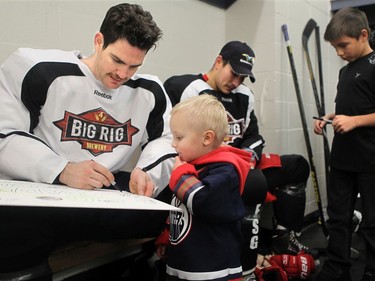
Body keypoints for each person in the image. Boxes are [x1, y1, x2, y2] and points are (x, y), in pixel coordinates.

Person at [0, 3, 175, 281]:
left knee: (179, 205)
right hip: (45, 193)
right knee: (13, 229)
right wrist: (61, 169)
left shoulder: (149, 90)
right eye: (117, 61)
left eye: (134, 66)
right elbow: (4, 134)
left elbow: (167, 140)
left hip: (106, 196)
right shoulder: (39, 70)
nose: (122, 74)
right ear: (98, 41)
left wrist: (147, 172)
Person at [164, 40, 313, 280]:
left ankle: (283, 238)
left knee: (297, 165)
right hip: (204, 165)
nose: (236, 82)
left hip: (238, 159)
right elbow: (175, 137)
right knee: (253, 183)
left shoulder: (245, 95)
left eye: (242, 78)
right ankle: (246, 260)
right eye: (234, 73)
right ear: (218, 61)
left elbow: (254, 136)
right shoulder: (188, 87)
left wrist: (247, 159)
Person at [156, 94, 263, 281]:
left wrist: (180, 175)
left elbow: (201, 200)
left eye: (179, 137)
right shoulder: (192, 165)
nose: (173, 144)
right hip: (185, 263)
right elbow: (179, 206)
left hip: (214, 270)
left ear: (207, 138)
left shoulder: (226, 171)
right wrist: (167, 236)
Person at [314, 7, 375, 281]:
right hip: (342, 159)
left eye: (343, 45)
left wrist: (355, 122)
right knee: (338, 217)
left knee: (372, 223)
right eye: (334, 47)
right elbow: (350, 109)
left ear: (363, 35)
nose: (339, 52)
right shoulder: (346, 71)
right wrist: (331, 117)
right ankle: (337, 267)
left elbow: (359, 116)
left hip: (370, 160)